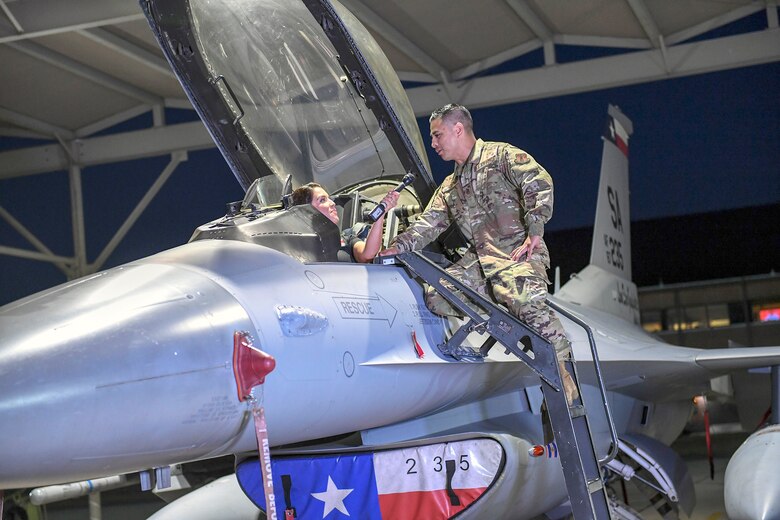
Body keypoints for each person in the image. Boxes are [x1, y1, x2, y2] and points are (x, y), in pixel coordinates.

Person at [380, 103, 578, 404]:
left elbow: (539, 182)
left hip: (516, 253)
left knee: (526, 305)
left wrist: (535, 230)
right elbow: (429, 223)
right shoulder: (451, 185)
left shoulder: (502, 156)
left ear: (458, 129)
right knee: (436, 296)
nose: (433, 144)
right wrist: (398, 246)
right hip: (480, 262)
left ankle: (565, 378)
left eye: (437, 135)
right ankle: (503, 310)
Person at [291, 182, 399, 263]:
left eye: (329, 198)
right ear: (306, 209)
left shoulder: (347, 238)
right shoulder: (294, 249)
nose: (332, 203)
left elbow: (367, 254)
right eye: (322, 200)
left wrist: (381, 212)